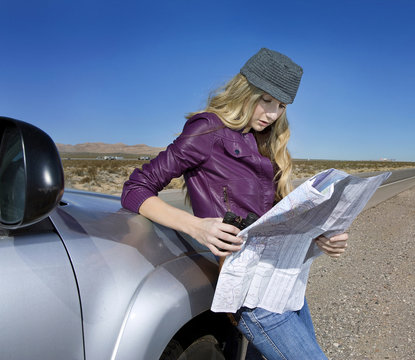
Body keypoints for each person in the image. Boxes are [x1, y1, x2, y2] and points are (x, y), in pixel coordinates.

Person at [121, 48, 348, 360]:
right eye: (266, 99)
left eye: (281, 105)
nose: (272, 113)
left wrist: (320, 235)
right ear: (246, 89)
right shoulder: (207, 130)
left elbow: (281, 218)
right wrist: (197, 226)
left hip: (285, 279)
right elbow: (135, 189)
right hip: (251, 291)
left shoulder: (268, 141)